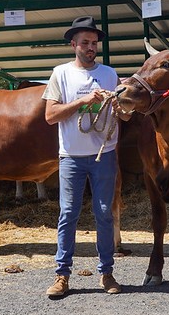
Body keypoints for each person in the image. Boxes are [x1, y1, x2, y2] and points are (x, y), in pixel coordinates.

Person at [41, 16, 131, 297]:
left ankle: (106, 273)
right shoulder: (60, 74)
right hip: (71, 155)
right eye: (85, 42)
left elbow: (124, 115)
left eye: (94, 43)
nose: (91, 47)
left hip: (103, 154)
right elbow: (50, 115)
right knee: (69, 213)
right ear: (74, 45)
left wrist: (120, 106)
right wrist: (83, 101)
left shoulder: (109, 73)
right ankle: (62, 275)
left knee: (104, 213)